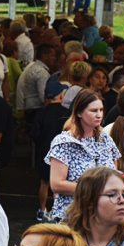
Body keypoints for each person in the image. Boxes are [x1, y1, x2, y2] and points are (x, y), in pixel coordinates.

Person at [47, 88, 120, 221]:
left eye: (101, 110)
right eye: (93, 111)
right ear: (79, 112)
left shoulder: (106, 140)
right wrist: (96, 190)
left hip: (103, 215)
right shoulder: (64, 142)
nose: (99, 115)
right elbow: (56, 184)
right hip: (72, 215)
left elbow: (115, 174)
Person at [31, 82, 71, 222]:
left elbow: (35, 134)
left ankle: (42, 210)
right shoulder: (66, 114)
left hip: (43, 153)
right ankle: (57, 212)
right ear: (61, 95)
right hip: (62, 155)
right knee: (59, 186)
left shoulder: (41, 113)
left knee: (44, 183)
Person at [17, 43, 56, 123]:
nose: (54, 58)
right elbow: (43, 97)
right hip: (36, 112)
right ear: (44, 56)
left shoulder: (34, 68)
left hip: (30, 110)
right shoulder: (41, 72)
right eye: (52, 55)